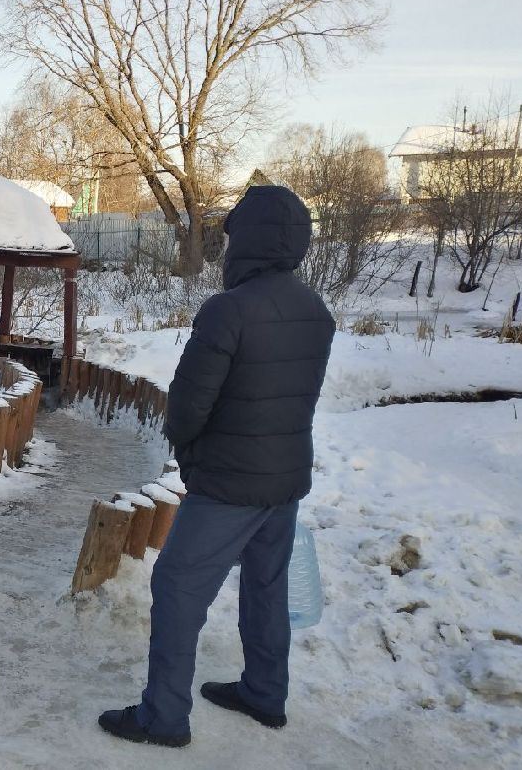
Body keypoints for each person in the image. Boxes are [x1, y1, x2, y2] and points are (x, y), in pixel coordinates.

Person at [99, 185, 336, 748]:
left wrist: (192, 454)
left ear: (245, 242)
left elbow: (186, 406)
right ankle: (264, 691)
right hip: (284, 480)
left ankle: (163, 717)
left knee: (178, 587)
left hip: (229, 483)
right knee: (266, 586)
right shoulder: (315, 310)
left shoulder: (228, 310)